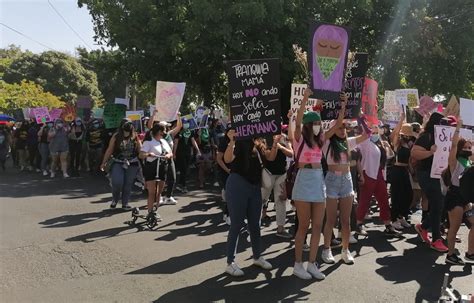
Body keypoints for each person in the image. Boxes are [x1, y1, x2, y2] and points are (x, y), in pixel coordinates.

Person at [291, 87, 347, 280]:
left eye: (318, 122)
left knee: (317, 226)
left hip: (318, 182)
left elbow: (338, 123)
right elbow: (297, 123)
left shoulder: (321, 139)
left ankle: (312, 263)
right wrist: (306, 99)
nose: (317, 125)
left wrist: (344, 104)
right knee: (303, 226)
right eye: (314, 123)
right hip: (304, 181)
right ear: (308, 125)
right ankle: (298, 264)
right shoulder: (299, 139)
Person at [223, 129, 272, 277]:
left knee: (255, 225)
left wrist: (275, 143)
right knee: (237, 224)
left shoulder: (260, 139)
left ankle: (257, 256)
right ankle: (230, 263)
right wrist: (231, 141)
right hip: (238, 183)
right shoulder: (239, 136)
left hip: (255, 186)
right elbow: (227, 159)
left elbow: (270, 158)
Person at [321, 117, 369, 265]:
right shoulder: (326, 142)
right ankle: (326, 249)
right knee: (330, 219)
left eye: (344, 128)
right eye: (339, 128)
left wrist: (360, 117)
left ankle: (345, 250)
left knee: (346, 221)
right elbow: (325, 134)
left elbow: (366, 134)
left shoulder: (348, 142)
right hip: (331, 181)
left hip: (347, 180)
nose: (343, 131)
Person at [411, 112, 449, 252]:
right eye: (443, 122)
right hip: (426, 174)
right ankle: (436, 239)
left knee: (440, 204)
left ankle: (423, 227)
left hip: (439, 175)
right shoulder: (426, 136)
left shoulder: (444, 137)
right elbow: (414, 153)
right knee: (438, 202)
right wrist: (430, 152)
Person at [355, 123, 401, 237]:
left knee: (384, 199)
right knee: (364, 201)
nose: (374, 134)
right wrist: (363, 118)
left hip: (379, 174)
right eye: (372, 132)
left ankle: (388, 225)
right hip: (368, 173)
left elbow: (388, 158)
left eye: (376, 132)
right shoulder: (364, 143)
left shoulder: (379, 144)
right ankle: (358, 224)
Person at [443, 120, 472, 265]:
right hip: (455, 197)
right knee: (454, 228)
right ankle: (450, 254)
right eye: (466, 147)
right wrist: (458, 127)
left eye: (470, 147)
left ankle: (470, 252)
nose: (469, 149)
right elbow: (453, 145)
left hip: (466, 199)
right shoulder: (455, 163)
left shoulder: (469, 163)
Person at [100, 120, 142, 209]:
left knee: (128, 184)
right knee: (117, 182)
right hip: (118, 161)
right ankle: (115, 199)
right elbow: (110, 149)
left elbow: (140, 149)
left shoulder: (135, 136)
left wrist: (146, 157)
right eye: (126, 124)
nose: (128, 126)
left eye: (130, 124)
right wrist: (104, 162)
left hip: (132, 162)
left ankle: (125, 203)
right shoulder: (116, 136)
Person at [260, 131, 294, 238]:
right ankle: (253, 224)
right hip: (268, 173)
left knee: (281, 200)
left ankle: (280, 228)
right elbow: (270, 157)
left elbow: (291, 153)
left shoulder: (284, 137)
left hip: (281, 174)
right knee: (262, 199)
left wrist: (281, 147)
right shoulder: (264, 137)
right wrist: (275, 145)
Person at [140, 124, 173, 220]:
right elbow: (141, 155)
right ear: (159, 131)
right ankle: (150, 211)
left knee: (159, 192)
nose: (165, 133)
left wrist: (168, 155)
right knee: (152, 192)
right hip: (152, 168)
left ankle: (155, 211)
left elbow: (171, 152)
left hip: (162, 167)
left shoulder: (163, 142)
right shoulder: (149, 142)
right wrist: (149, 154)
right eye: (163, 131)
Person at [389, 112, 415, 230]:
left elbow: (409, 160)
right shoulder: (397, 143)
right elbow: (394, 134)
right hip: (397, 170)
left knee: (408, 194)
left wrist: (412, 171)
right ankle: (393, 219)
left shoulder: (408, 145)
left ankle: (401, 215)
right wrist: (401, 120)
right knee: (397, 195)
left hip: (405, 170)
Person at [174, 122, 200, 193]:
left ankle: (180, 184)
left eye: (187, 123)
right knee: (184, 169)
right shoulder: (178, 132)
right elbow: (176, 143)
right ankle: (183, 186)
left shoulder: (190, 131)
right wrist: (174, 153)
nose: (186, 124)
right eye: (185, 123)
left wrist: (198, 150)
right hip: (180, 153)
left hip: (188, 153)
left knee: (185, 169)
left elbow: (193, 141)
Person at [216, 125, 233, 225]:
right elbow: (219, 159)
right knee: (229, 194)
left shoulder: (238, 140)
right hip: (225, 172)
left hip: (234, 171)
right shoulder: (224, 142)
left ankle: (228, 213)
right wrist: (227, 170)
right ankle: (228, 214)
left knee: (232, 194)